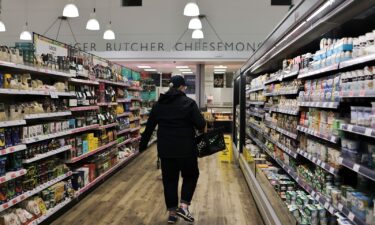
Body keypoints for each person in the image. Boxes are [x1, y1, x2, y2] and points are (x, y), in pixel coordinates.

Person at [139, 75, 206, 224]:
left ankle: (172, 214)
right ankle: (184, 205)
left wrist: (142, 146)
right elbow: (200, 124)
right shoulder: (189, 103)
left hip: (166, 150)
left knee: (169, 181)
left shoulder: (158, 105)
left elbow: (149, 127)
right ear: (182, 87)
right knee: (190, 175)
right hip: (187, 149)